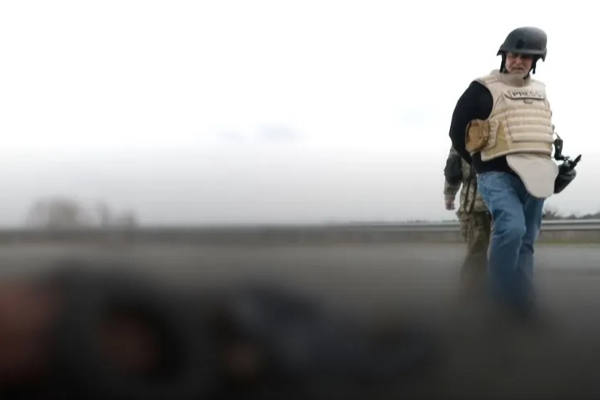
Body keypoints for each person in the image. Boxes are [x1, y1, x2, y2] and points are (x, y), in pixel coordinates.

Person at [448, 27, 559, 323]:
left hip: (536, 175)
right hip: (497, 173)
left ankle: (522, 306)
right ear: (504, 56)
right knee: (511, 229)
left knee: (527, 240)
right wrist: (478, 161)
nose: (518, 61)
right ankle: (498, 303)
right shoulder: (482, 89)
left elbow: (540, 131)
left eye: (526, 57)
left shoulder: (539, 91)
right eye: (513, 55)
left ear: (536, 61)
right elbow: (456, 131)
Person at [443, 145, 491, 298]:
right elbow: (453, 164)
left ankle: (482, 291)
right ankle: (473, 292)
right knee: (476, 249)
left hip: (495, 201)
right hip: (472, 203)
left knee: (489, 250)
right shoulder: (464, 135)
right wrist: (449, 194)